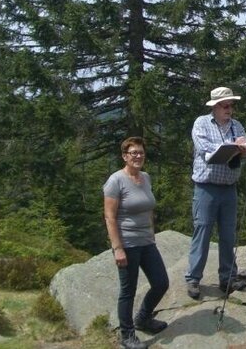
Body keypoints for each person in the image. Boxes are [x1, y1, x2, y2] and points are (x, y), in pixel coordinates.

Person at [185, 86, 246, 299]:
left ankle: (228, 278)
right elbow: (205, 149)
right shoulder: (201, 123)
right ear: (214, 107)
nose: (229, 109)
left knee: (228, 234)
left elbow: (245, 155)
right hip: (206, 187)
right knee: (203, 231)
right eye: (225, 105)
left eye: (231, 105)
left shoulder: (237, 126)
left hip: (229, 188)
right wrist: (232, 145)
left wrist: (245, 150)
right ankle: (193, 278)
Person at [103, 137, 170, 349]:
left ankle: (143, 318)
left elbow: (148, 208)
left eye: (141, 152)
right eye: (133, 153)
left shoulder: (145, 177)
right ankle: (127, 335)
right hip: (127, 243)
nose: (138, 156)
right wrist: (117, 248)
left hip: (147, 242)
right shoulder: (115, 181)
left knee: (161, 283)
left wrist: (151, 233)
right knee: (128, 291)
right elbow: (110, 217)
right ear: (125, 156)